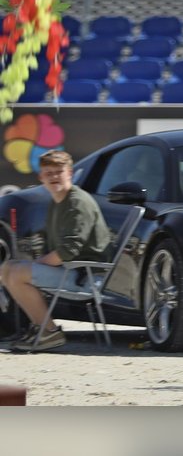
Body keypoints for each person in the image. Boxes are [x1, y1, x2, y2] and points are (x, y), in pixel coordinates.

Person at [0, 150, 111, 352]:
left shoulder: (76, 202)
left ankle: (49, 332)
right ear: (41, 177)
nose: (53, 177)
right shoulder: (57, 201)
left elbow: (67, 252)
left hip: (85, 276)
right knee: (7, 268)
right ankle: (40, 328)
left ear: (70, 173)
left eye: (58, 172)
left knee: (17, 273)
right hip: (70, 270)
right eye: (48, 173)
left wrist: (35, 266)